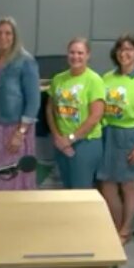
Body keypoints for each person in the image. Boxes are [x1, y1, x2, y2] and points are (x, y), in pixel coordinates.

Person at [97, 34, 134, 245]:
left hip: (130, 136)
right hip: (108, 135)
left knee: (129, 186)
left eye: (130, 49)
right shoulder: (106, 78)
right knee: (107, 185)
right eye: (121, 49)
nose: (125, 53)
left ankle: (126, 229)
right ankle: (115, 225)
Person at [0, 17, 41, 191]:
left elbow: (33, 101)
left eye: (7, 33)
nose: (2, 37)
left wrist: (20, 133)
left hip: (14, 128)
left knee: (11, 176)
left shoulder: (25, 61)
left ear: (15, 37)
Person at [45, 37, 105, 190]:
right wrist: (57, 136)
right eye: (72, 52)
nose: (75, 57)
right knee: (67, 189)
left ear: (88, 55)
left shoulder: (94, 80)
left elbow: (95, 116)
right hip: (61, 143)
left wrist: (71, 139)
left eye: (80, 53)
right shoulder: (58, 79)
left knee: (80, 191)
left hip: (85, 144)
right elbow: (49, 109)